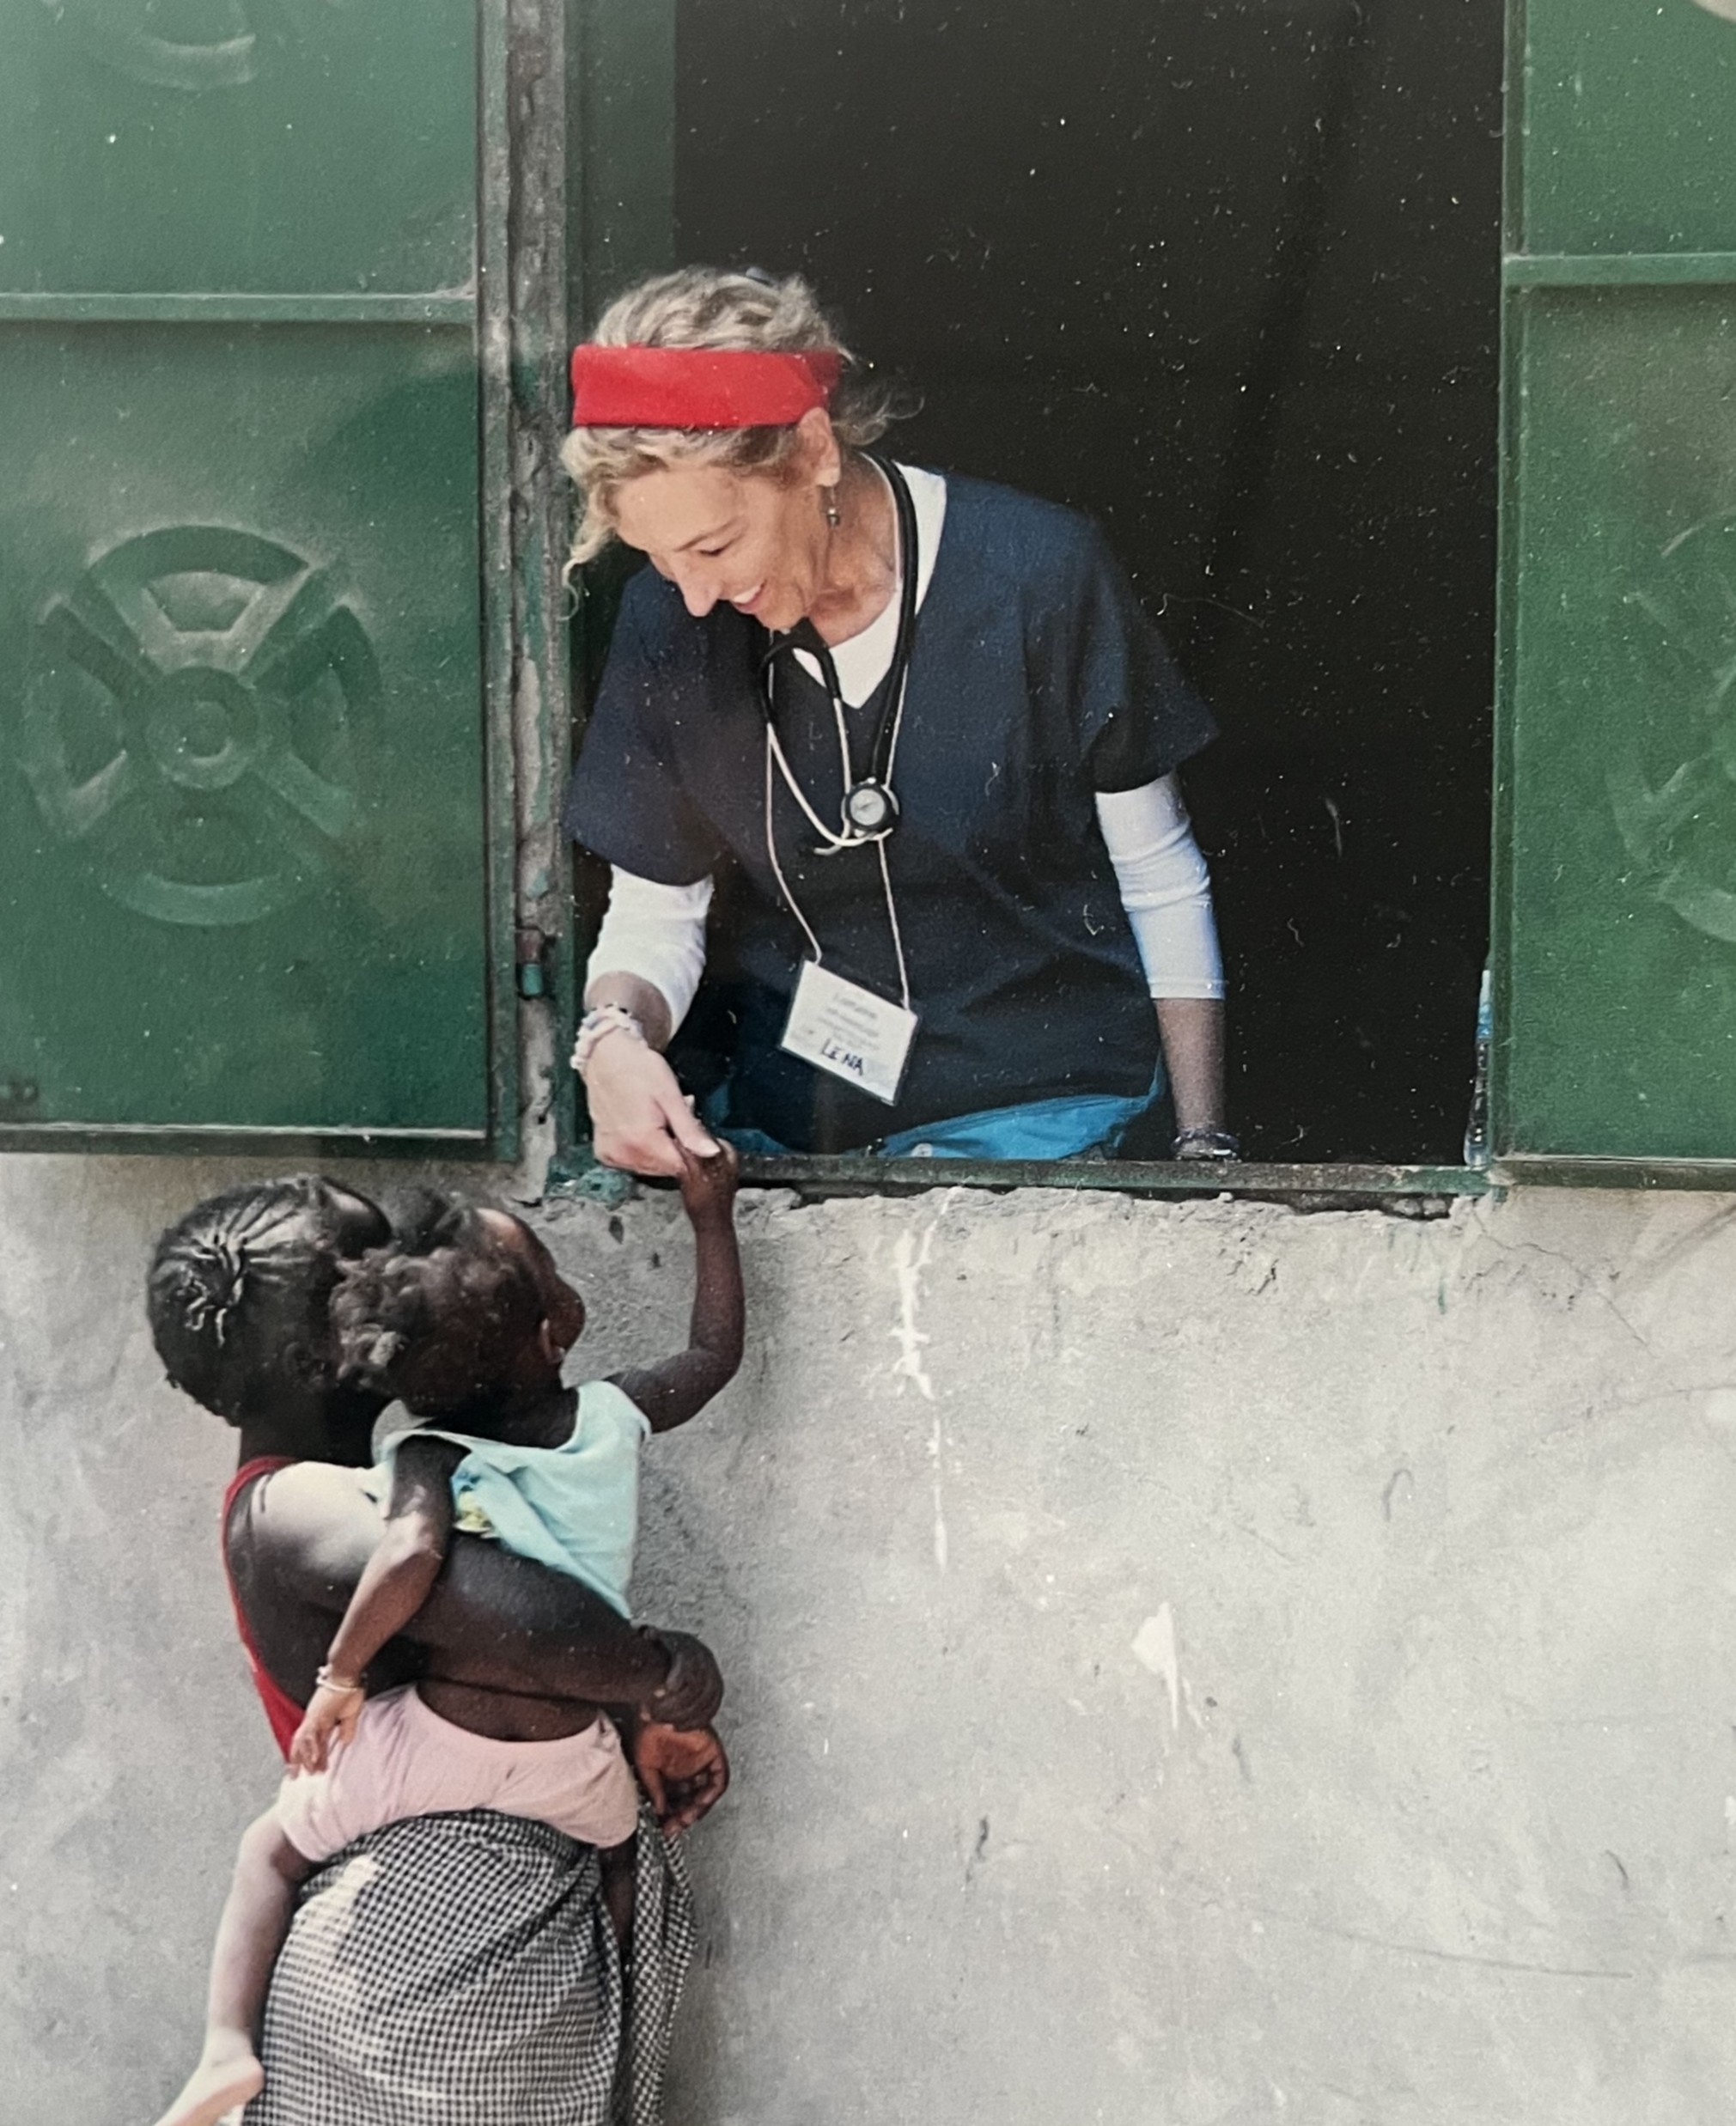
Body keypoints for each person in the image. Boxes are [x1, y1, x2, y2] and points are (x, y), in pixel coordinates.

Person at [561, 265, 1236, 1173]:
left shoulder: (1036, 574)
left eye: (716, 545)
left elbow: (1157, 874)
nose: (695, 594)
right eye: (660, 557)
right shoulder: (668, 622)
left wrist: (1201, 1145)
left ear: (812, 450)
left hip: (1048, 1112)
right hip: (799, 1124)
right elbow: (657, 908)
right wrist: (612, 1038)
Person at [145, 1174, 730, 2126]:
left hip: (441, 1936)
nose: (409, 1273)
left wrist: (633, 1716)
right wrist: (670, 1674)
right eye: (372, 1266)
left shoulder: (404, 1469)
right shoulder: (303, 1505)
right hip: (428, 1946)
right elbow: (533, 1621)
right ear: (316, 1356)